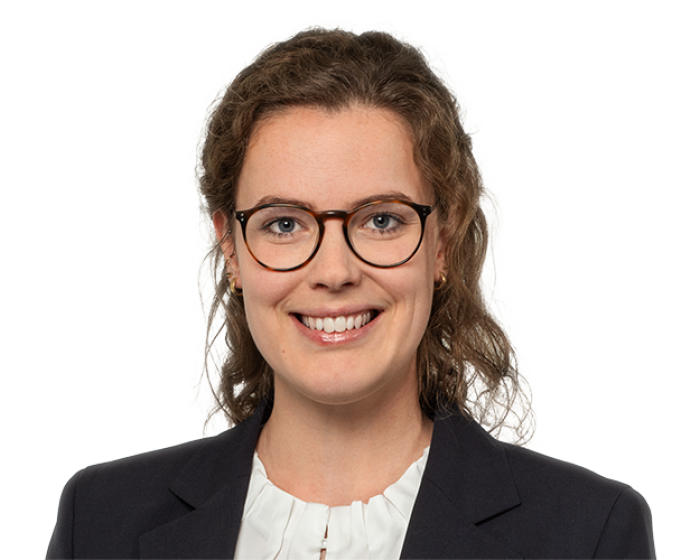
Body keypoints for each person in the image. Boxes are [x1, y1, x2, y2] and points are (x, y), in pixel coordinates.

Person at [46, 21, 656, 559]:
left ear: (441, 245)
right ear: (230, 249)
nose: (334, 271)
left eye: (381, 220)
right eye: (284, 224)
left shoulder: (590, 534)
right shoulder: (99, 522)